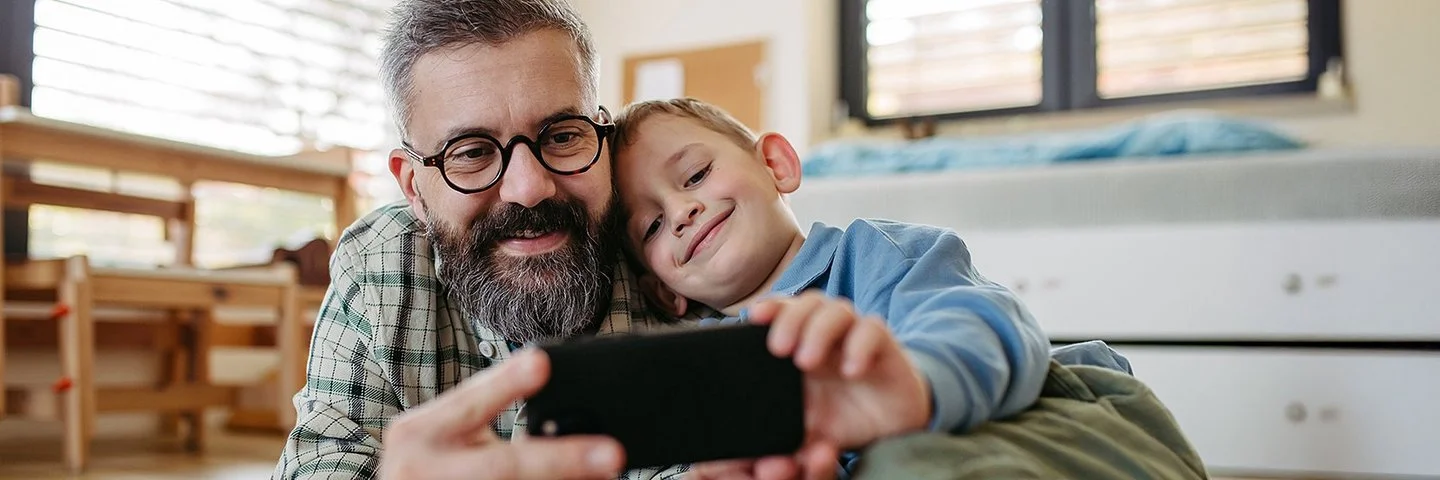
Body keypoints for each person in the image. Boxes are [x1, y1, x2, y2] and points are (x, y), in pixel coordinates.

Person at [276, 1, 1207, 479]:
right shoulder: (382, 269)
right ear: (412, 181)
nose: (530, 187)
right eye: (474, 151)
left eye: (560, 136)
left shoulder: (654, 275)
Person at [609, 98, 1050, 443]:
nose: (682, 212)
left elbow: (985, 324)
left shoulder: (874, 252)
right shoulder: (698, 364)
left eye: (696, 174)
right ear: (663, 292)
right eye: (652, 227)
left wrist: (919, 383)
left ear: (775, 165)